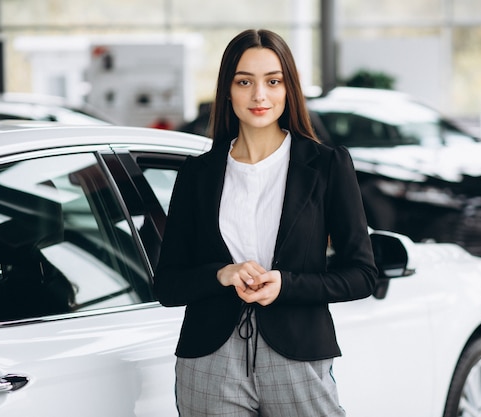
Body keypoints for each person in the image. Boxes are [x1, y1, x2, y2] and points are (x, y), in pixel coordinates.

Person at [153, 28, 378, 417]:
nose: (260, 96)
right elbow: (168, 285)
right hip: (209, 362)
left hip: (298, 358)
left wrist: (286, 285)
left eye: (273, 81)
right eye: (245, 82)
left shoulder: (326, 166)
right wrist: (222, 274)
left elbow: (362, 275)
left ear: (288, 88)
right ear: (228, 90)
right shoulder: (198, 174)